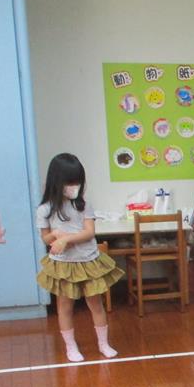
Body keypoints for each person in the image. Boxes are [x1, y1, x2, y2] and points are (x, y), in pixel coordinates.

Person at [36, 153, 123, 362]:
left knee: (96, 303)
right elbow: (45, 238)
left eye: (77, 182)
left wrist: (66, 239)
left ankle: (103, 343)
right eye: (70, 182)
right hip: (64, 265)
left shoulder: (83, 205)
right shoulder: (45, 209)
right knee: (65, 306)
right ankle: (70, 346)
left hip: (88, 261)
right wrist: (55, 236)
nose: (74, 186)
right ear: (57, 181)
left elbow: (89, 232)